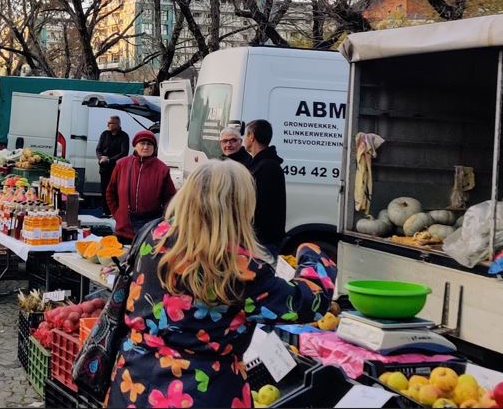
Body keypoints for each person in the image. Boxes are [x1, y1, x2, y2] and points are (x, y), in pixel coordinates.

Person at [105, 160, 336, 408]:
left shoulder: (152, 236)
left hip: (133, 384)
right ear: (239, 207)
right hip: (202, 392)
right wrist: (312, 253)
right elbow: (308, 303)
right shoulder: (239, 267)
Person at [105, 130, 176, 242]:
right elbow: (110, 193)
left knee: (145, 253)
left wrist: (163, 221)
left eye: (149, 144)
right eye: (142, 143)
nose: (145, 147)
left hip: (150, 230)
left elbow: (171, 199)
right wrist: (118, 214)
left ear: (154, 148)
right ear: (135, 146)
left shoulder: (162, 169)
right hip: (125, 229)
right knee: (123, 252)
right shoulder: (122, 165)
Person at [244, 119, 286, 257]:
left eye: (245, 135)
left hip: (263, 241)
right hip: (259, 239)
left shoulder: (266, 167)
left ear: (252, 137)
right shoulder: (261, 164)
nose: (244, 139)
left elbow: (261, 206)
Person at [95, 116, 130, 214]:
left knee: (115, 191)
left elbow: (124, 153)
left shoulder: (124, 136)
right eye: (108, 123)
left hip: (116, 168)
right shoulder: (104, 134)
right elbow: (98, 149)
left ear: (117, 125)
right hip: (104, 168)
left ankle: (114, 212)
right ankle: (105, 211)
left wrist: (109, 160)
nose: (108, 125)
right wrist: (101, 158)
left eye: (110, 123)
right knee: (104, 190)